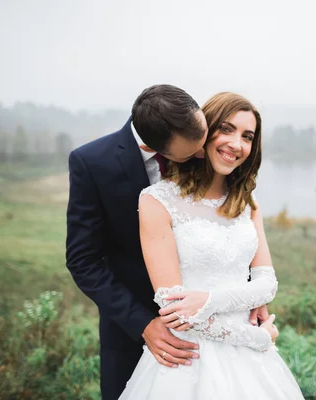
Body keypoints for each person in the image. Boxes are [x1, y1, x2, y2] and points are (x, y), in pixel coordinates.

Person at [119, 92, 304, 399]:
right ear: (204, 132)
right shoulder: (156, 201)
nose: (236, 144)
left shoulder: (248, 203)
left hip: (253, 362)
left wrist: (207, 300)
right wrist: (256, 338)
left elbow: (267, 283)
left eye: (247, 136)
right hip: (188, 357)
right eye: (227, 129)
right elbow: (174, 309)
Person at [66, 84, 213, 400]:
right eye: (192, 152)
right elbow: (83, 261)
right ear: (157, 147)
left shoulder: (200, 140)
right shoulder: (91, 163)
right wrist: (144, 324)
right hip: (130, 331)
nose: (204, 154)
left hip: (209, 323)